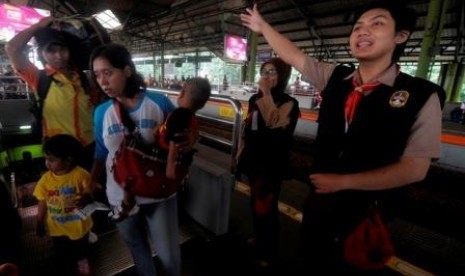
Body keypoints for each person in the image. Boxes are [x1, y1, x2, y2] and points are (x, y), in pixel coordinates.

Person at [241, 1, 445, 273]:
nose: (362, 31)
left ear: (401, 36)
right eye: (358, 26)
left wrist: (344, 182)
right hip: (319, 205)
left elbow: (415, 168)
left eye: (377, 24)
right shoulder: (335, 78)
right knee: (312, 260)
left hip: (366, 216)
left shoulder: (422, 96)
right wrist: (262, 26)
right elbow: (294, 56)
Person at [88, 43, 193, 276]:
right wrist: (89, 185)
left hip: (160, 193)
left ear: (126, 70)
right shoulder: (101, 112)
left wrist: (191, 139)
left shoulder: (159, 103)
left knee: (168, 253)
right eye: (97, 75)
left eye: (108, 73)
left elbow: (183, 138)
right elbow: (101, 151)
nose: (102, 82)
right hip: (120, 196)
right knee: (137, 248)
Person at [4, 16, 98, 171]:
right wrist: (37, 26)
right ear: (42, 53)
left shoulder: (85, 78)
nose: (59, 56)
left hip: (89, 148)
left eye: (62, 49)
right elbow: (12, 48)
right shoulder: (39, 78)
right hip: (59, 154)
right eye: (51, 51)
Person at [236, 57, 300, 268]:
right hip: (254, 161)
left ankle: (269, 251)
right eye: (264, 72)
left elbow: (274, 124)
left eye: (272, 72)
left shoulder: (290, 103)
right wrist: (240, 154)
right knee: (255, 203)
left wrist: (266, 94)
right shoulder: (255, 98)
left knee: (268, 208)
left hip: (272, 165)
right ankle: (259, 237)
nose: (266, 76)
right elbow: (249, 127)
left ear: (282, 76)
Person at [118, 77, 211, 219]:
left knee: (131, 160)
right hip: (174, 157)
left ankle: (127, 201)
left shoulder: (179, 114)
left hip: (164, 156)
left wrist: (170, 164)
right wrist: (159, 128)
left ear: (182, 93)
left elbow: (174, 140)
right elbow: (170, 130)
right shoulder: (188, 116)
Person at [32, 134, 93, 276]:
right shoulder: (46, 179)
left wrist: (87, 198)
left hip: (78, 224)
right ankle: (67, 267)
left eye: (52, 160)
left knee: (80, 248)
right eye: (46, 159)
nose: (47, 163)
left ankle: (83, 262)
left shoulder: (80, 175)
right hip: (56, 226)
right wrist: (39, 221)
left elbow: (92, 192)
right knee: (61, 251)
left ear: (68, 159)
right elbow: (42, 201)